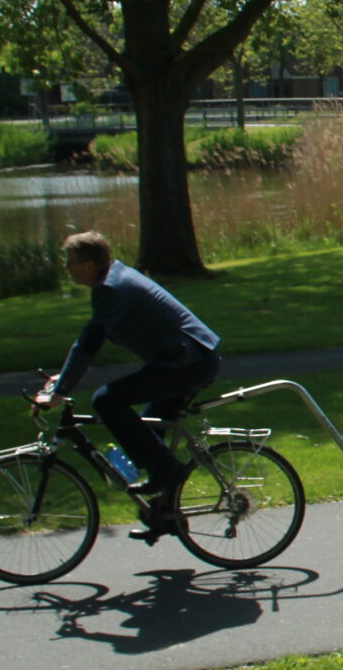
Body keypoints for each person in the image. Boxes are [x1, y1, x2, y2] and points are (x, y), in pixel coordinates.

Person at [33, 231, 223, 542]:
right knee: (149, 433)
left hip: (189, 364)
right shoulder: (113, 279)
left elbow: (89, 342)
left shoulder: (111, 288)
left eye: (73, 263)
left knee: (107, 401)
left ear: (92, 263)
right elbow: (89, 342)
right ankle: (165, 515)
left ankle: (167, 474)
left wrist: (61, 390)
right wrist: (62, 379)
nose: (68, 269)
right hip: (182, 360)